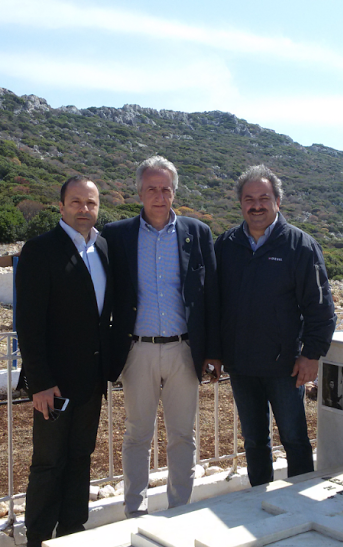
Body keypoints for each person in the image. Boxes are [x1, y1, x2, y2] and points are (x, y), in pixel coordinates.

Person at [101, 155, 221, 517]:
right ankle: (134, 512)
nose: (159, 195)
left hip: (184, 349)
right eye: (152, 188)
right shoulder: (116, 234)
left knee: (183, 435)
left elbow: (211, 295)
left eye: (166, 189)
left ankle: (178, 511)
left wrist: (213, 350)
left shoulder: (197, 232)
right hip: (137, 350)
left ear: (174, 192)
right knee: (137, 434)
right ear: (139, 192)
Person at [215, 164, 336, 486]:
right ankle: (260, 499)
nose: (256, 205)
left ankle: (300, 503)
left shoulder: (300, 246)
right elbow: (214, 304)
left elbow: (321, 307)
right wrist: (215, 351)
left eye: (264, 198)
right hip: (241, 364)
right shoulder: (226, 245)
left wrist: (311, 355)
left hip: (286, 366)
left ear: (277, 202)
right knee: (254, 441)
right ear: (240, 203)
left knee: (295, 439)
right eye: (249, 199)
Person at [15, 176, 112, 547]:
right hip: (53, 385)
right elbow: (29, 323)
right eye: (76, 202)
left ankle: (73, 532)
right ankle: (38, 537)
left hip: (91, 381)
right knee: (48, 462)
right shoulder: (40, 249)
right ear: (61, 206)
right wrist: (39, 382)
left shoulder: (102, 246)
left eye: (91, 203)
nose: (84, 209)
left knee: (80, 458)